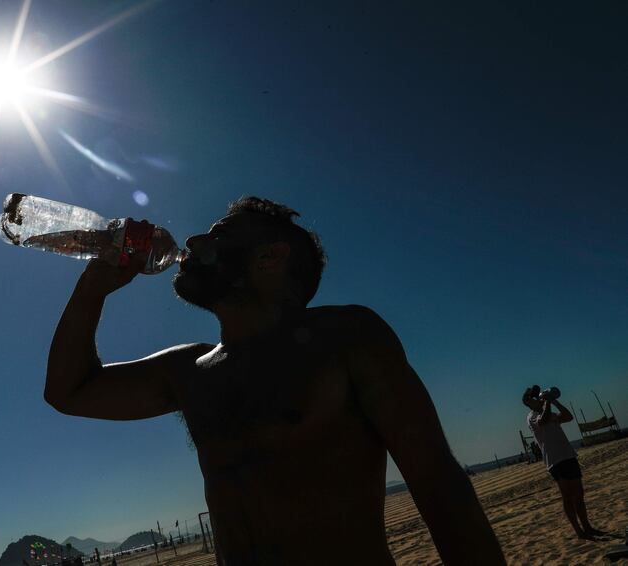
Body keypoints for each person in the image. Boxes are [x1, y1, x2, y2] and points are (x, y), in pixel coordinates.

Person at [45, 196, 505, 565]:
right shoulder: (188, 370)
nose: (192, 239)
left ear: (269, 257)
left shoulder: (346, 338)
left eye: (219, 235)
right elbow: (68, 392)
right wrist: (93, 287)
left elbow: (439, 486)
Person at [522, 386, 604, 539]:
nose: (539, 398)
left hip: (568, 455)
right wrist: (547, 403)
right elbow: (543, 421)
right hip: (555, 460)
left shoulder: (549, 411)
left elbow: (568, 417)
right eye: (535, 397)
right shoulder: (532, 416)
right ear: (528, 401)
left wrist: (555, 402)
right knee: (567, 496)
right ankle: (578, 531)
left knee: (579, 494)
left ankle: (587, 527)